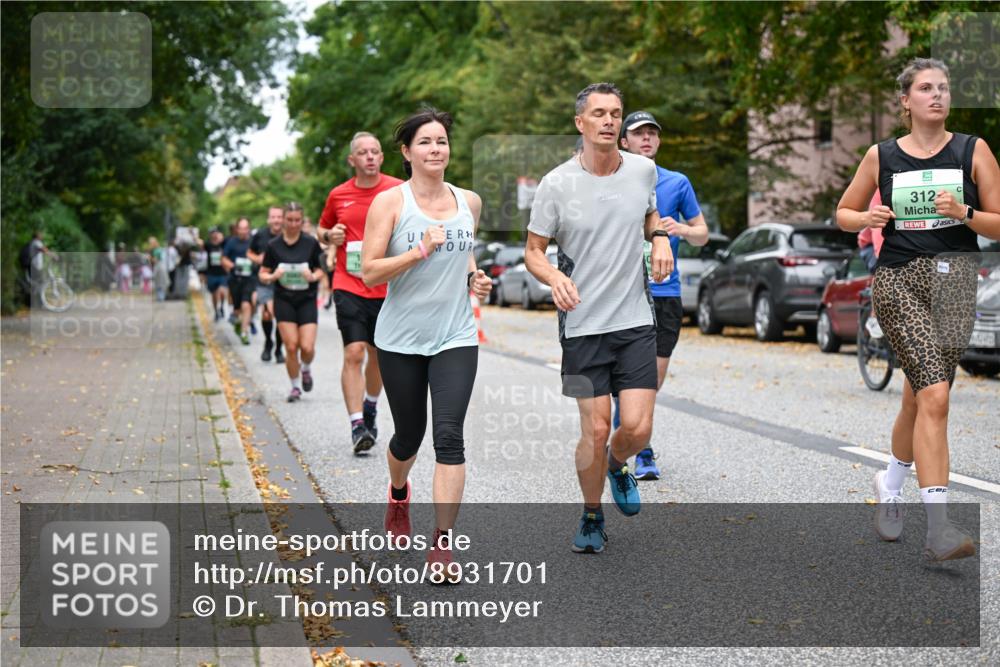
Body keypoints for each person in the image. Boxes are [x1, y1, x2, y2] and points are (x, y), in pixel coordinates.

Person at [836, 58, 1000, 562]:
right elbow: (844, 214)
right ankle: (938, 529)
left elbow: (998, 222)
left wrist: (965, 213)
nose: (937, 95)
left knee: (919, 398)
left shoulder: (974, 150)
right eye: (925, 88)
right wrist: (868, 215)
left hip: (955, 284)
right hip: (899, 279)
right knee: (936, 395)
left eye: (944, 88)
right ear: (905, 101)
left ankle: (890, 483)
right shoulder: (881, 155)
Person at [524, 83, 673, 554]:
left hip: (633, 320)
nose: (610, 121)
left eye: (616, 113)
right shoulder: (556, 184)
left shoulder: (643, 170)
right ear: (580, 123)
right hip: (583, 323)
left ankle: (615, 464)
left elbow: (649, 215)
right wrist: (553, 277)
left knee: (638, 428)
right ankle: (591, 515)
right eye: (600, 114)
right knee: (593, 427)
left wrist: (662, 237)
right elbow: (533, 252)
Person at [362, 108, 491, 580]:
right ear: (406, 152)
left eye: (442, 141)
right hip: (400, 338)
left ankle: (442, 546)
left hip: (455, 335)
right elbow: (369, 270)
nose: (436, 149)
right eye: (426, 142)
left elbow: (467, 253)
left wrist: (475, 278)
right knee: (408, 435)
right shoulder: (391, 204)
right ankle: (398, 493)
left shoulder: (468, 201)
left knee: (449, 437)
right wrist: (418, 252)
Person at [618, 110, 709, 480]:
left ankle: (631, 433)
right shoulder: (611, 180)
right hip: (621, 291)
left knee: (651, 379)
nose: (647, 139)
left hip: (665, 291)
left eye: (652, 133)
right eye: (639, 133)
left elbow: (702, 232)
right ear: (624, 141)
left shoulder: (676, 182)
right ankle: (643, 451)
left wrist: (683, 230)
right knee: (626, 375)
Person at [319, 131, 404, 454]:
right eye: (363, 152)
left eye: (375, 152)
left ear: (382, 157)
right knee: (354, 351)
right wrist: (330, 236)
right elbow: (322, 229)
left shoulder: (398, 189)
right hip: (349, 283)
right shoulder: (338, 195)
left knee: (378, 354)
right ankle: (357, 424)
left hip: (387, 285)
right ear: (352, 160)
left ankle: (370, 405)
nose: (369, 156)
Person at [259, 203, 326, 403]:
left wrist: (313, 276)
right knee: (291, 346)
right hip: (284, 299)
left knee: (306, 347)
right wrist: (273, 276)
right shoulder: (273, 245)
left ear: (302, 221)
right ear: (284, 220)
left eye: (298, 220)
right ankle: (295, 387)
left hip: (306, 299)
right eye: (290, 220)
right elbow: (262, 274)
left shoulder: (310, 243)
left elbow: (321, 270)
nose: (294, 224)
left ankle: (305, 368)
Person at [249, 207, 285, 362]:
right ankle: (268, 342)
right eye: (273, 217)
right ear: (268, 219)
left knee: (280, 315)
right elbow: (249, 252)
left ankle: (278, 348)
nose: (276, 220)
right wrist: (258, 259)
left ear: (283, 219)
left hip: (283, 282)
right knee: (267, 313)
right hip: (264, 280)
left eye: (279, 217)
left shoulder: (288, 235)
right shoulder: (260, 235)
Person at [221, 218, 255, 345]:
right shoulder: (231, 242)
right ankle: (238, 322)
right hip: (235, 279)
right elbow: (223, 259)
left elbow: (260, 256)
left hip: (250, 279)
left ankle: (245, 332)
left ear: (249, 229)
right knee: (237, 308)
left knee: (247, 304)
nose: (243, 231)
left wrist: (255, 261)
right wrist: (233, 266)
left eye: (245, 228)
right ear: (237, 229)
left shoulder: (253, 241)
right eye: (241, 228)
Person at [204, 227, 229, 320]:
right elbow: (200, 244)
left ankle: (222, 305)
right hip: (211, 273)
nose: (214, 235)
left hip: (222, 273)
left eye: (216, 233)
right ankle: (216, 311)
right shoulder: (208, 245)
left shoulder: (224, 244)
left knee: (222, 291)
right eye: (212, 233)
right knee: (214, 294)